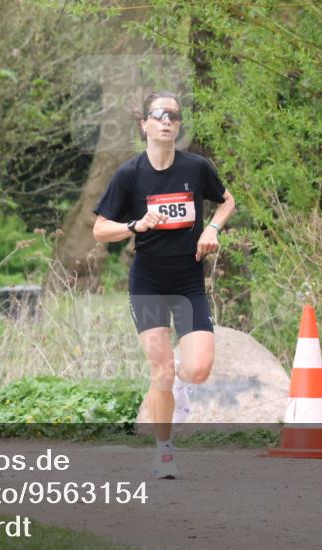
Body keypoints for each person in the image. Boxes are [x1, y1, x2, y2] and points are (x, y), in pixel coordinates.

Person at [92, 91, 236, 478]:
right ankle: (164, 451)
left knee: (199, 369)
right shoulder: (129, 175)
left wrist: (212, 228)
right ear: (145, 125)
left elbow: (227, 201)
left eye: (173, 115)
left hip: (188, 278)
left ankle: (178, 385)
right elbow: (100, 229)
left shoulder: (196, 168)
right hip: (149, 280)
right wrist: (133, 226)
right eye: (159, 114)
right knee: (160, 371)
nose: (167, 121)